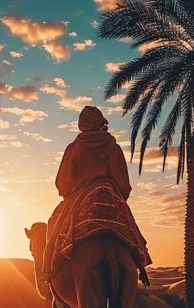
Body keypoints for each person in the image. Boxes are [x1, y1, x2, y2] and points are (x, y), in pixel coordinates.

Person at [43, 105, 151, 285]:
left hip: (79, 195)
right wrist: (116, 196)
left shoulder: (74, 148)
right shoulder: (114, 148)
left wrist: (70, 193)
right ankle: (141, 267)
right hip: (111, 195)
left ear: (83, 124)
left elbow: (63, 183)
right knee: (133, 233)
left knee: (53, 233)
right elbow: (124, 184)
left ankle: (47, 271)